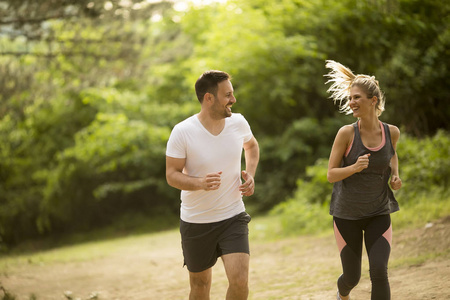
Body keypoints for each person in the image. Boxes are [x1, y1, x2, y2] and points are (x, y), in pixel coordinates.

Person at [165, 70, 259, 300]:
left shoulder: (238, 122)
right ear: (209, 98)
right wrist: (200, 183)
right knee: (200, 286)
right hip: (196, 222)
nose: (233, 100)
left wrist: (251, 175)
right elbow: (171, 175)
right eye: (227, 95)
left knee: (240, 281)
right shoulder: (183, 132)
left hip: (233, 216)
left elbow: (252, 146)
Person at [324, 60, 402, 300]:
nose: (352, 103)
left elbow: (392, 154)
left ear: (373, 100)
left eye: (357, 97)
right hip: (346, 214)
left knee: (379, 271)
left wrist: (395, 174)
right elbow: (331, 174)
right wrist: (355, 168)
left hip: (379, 211)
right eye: (350, 98)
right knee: (352, 277)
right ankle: (342, 293)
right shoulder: (347, 133)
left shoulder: (391, 132)